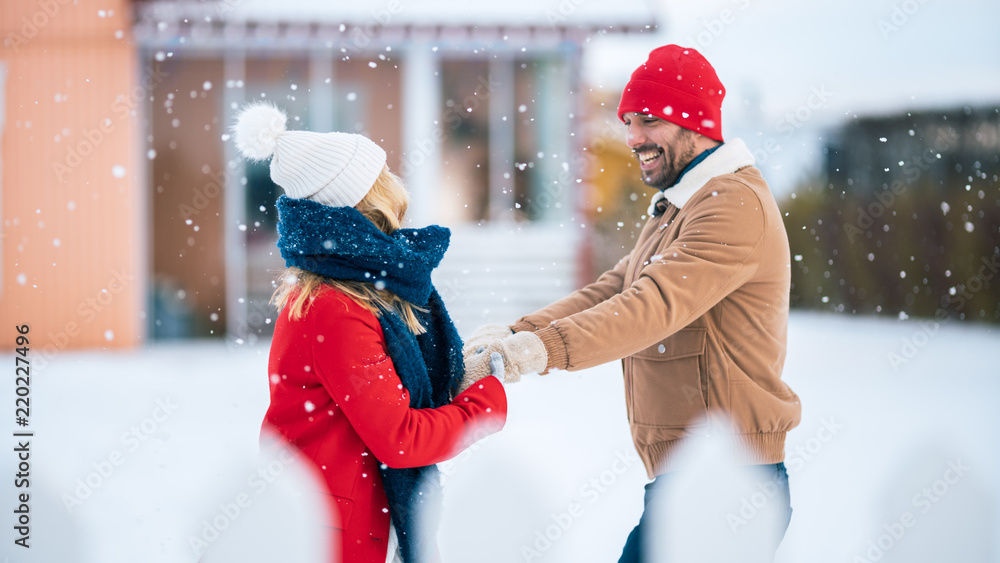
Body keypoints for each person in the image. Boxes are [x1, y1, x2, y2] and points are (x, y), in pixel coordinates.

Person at [464, 45, 802, 561]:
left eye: (649, 120)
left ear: (695, 123)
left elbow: (651, 305)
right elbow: (615, 287)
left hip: (730, 476)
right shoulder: (684, 203)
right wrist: (517, 334)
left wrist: (540, 351)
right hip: (694, 474)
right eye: (628, 121)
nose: (633, 138)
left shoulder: (730, 204)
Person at [234, 102, 507, 563]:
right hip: (334, 532)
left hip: (342, 516)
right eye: (383, 174)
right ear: (367, 198)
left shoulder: (352, 287)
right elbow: (399, 438)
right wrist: (484, 404)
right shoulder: (335, 307)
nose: (396, 183)